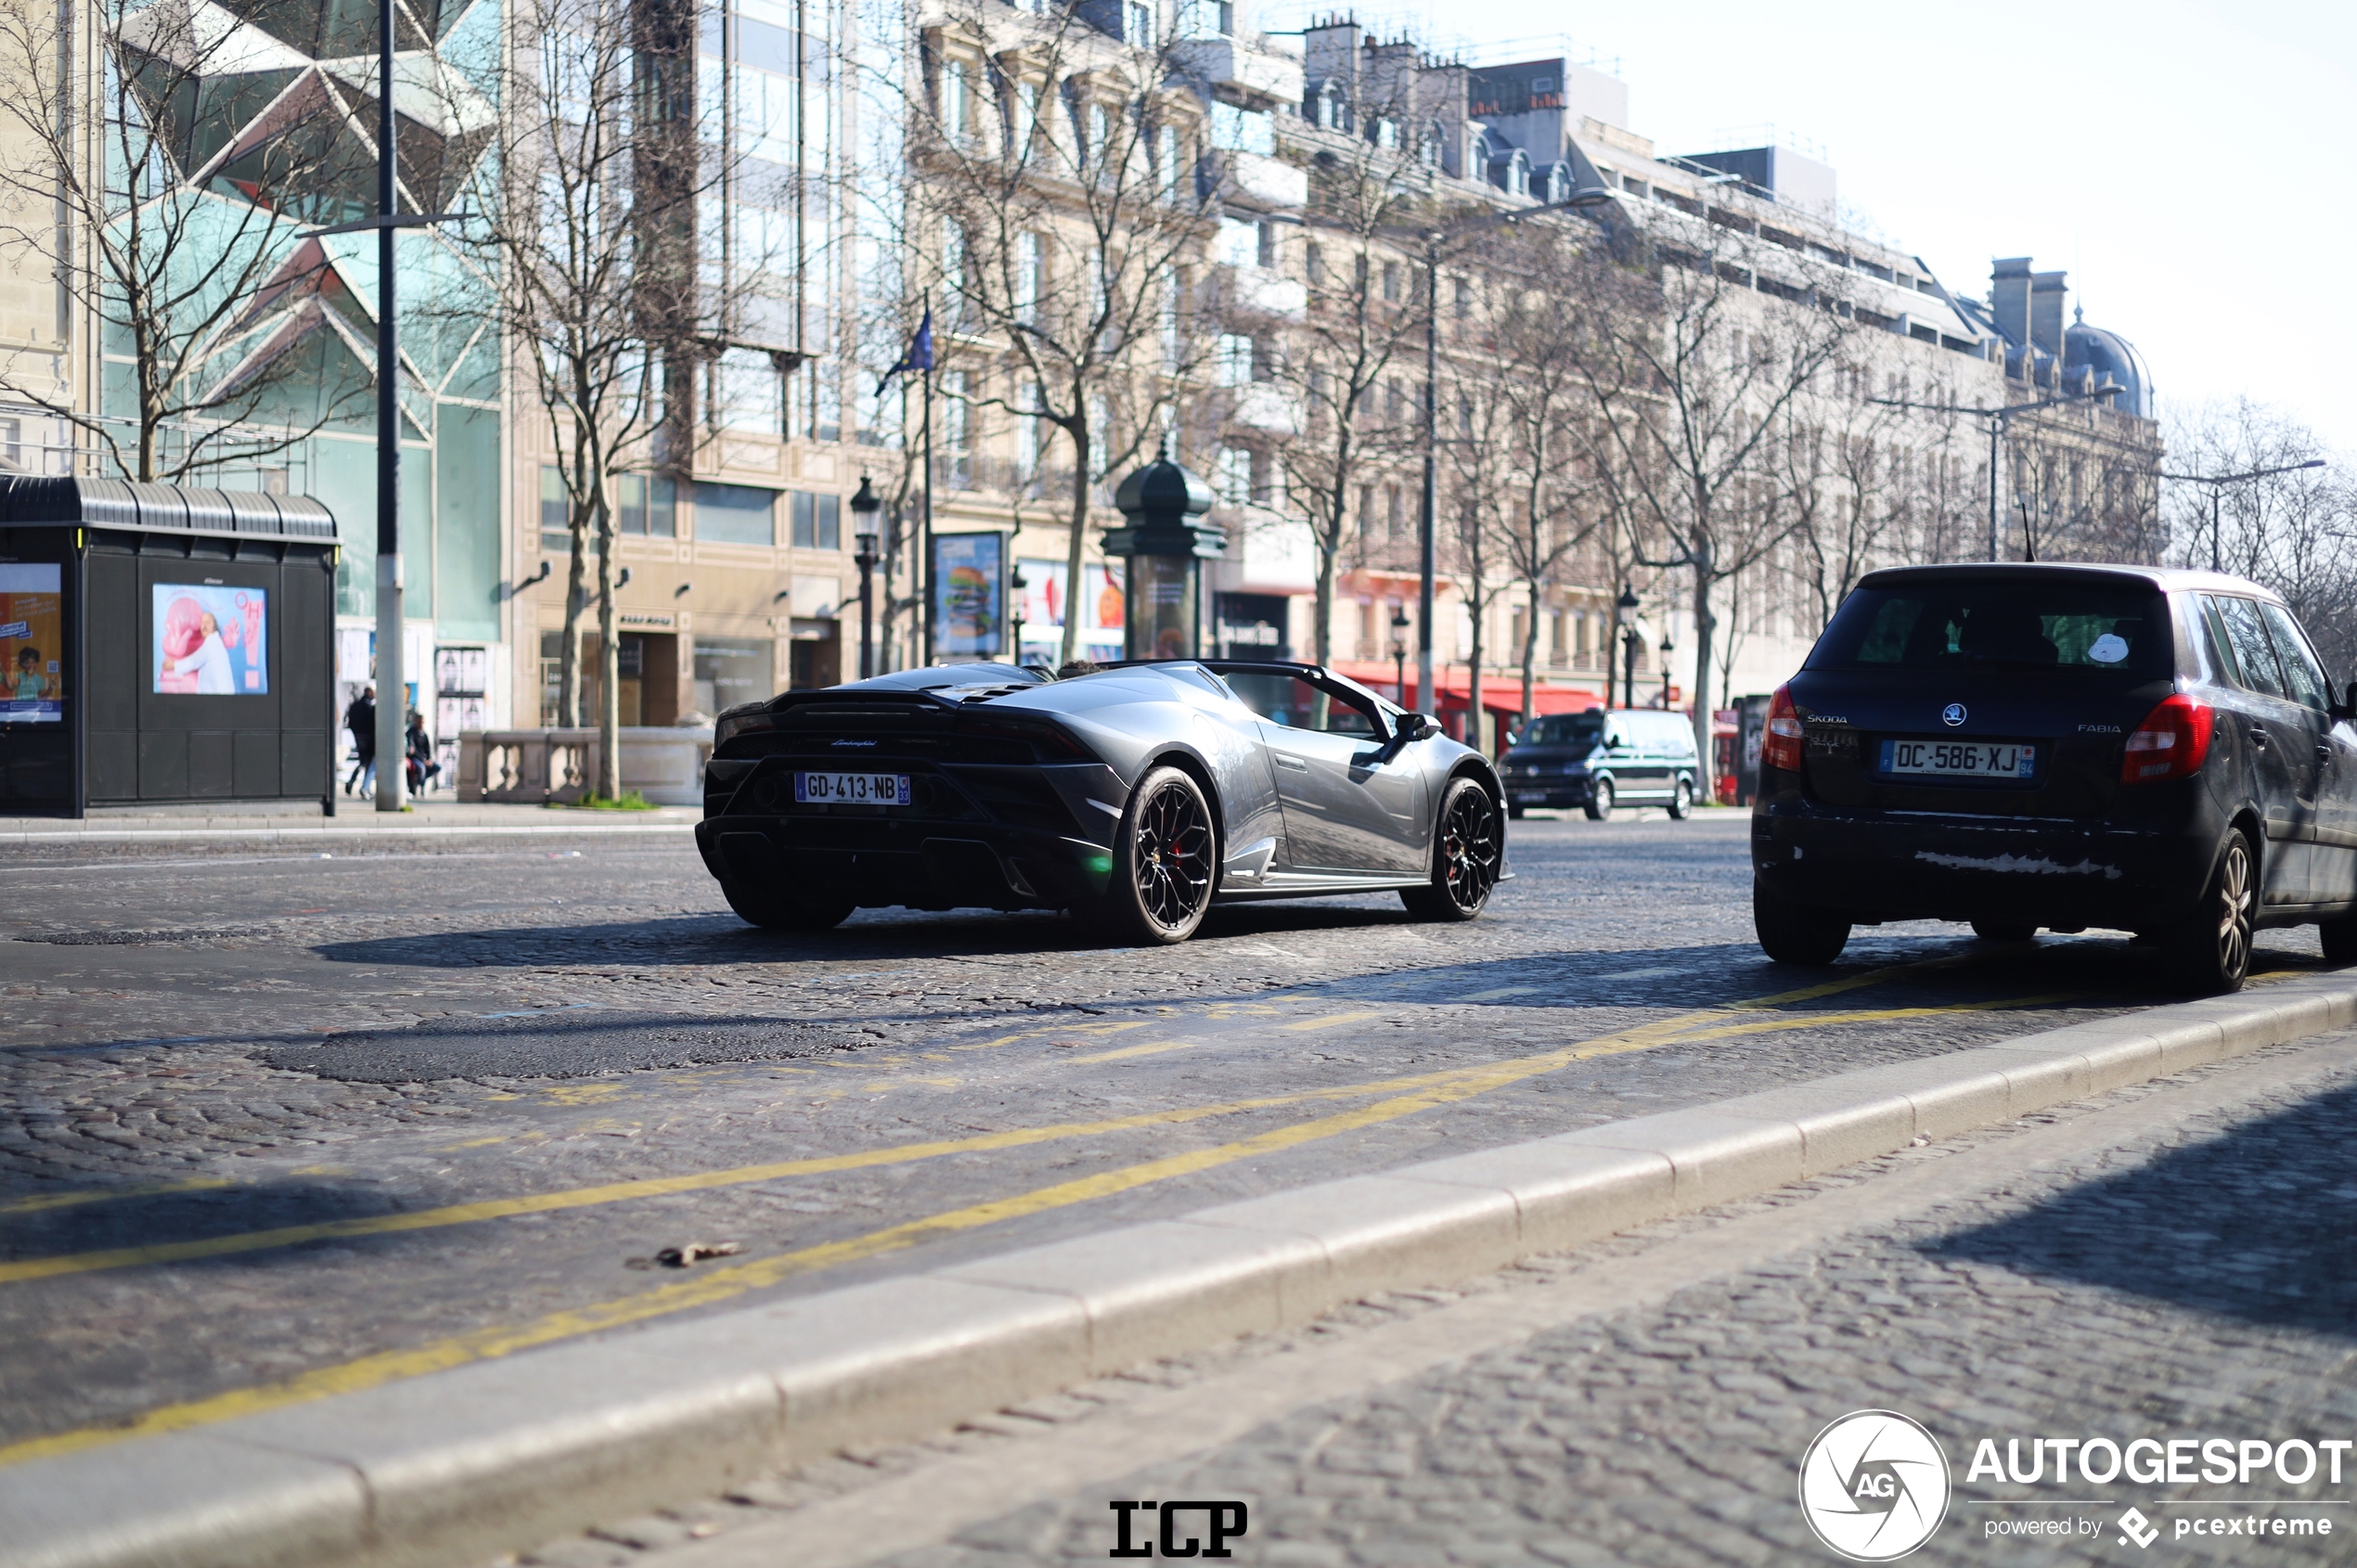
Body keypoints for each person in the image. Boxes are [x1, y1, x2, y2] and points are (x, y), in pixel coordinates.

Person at [343, 685, 376, 796]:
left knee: (363, 762)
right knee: (368, 762)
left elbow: (350, 722)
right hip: (368, 738)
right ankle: (365, 787)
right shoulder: (369, 707)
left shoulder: (355, 705)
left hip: (358, 736)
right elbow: (372, 723)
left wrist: (356, 732)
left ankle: (354, 782)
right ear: (369, 692)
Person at [405, 710, 440, 794]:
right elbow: (413, 750)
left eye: (422, 722)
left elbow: (428, 748)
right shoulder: (411, 732)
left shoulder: (424, 734)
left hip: (424, 759)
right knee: (421, 768)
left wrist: (429, 759)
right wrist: (423, 760)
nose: (421, 723)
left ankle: (420, 780)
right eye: (419, 721)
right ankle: (421, 786)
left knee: (437, 767)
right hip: (415, 758)